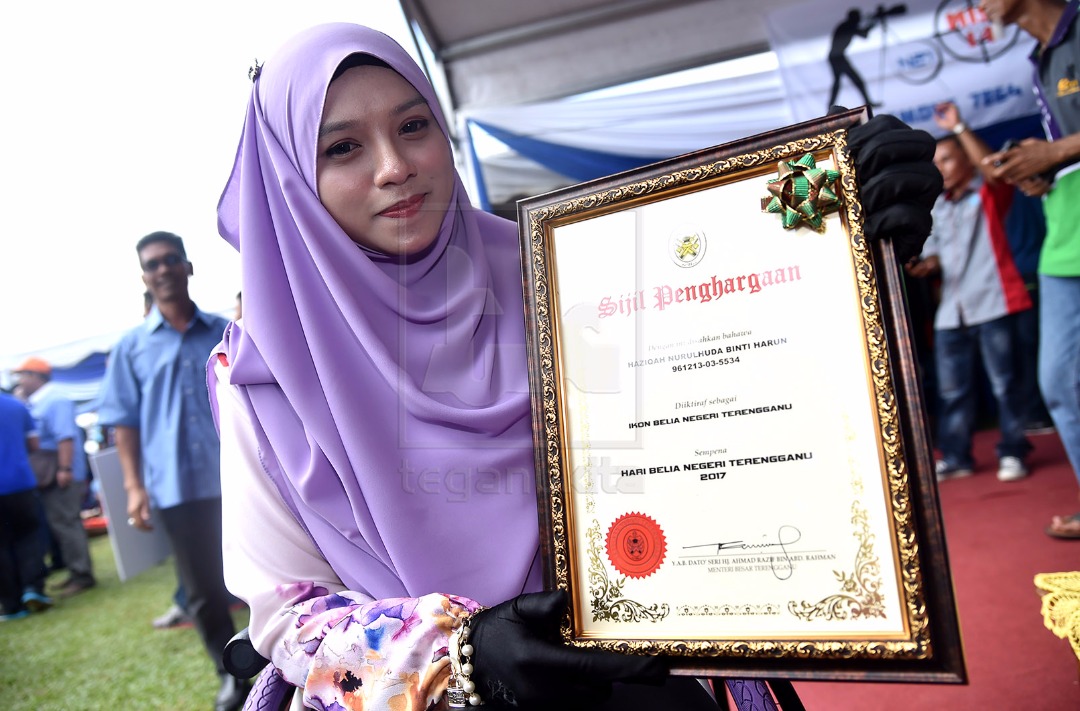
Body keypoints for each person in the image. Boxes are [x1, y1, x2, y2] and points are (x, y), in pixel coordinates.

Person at [209, 23, 940, 710]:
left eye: (413, 126)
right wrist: (462, 650)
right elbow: (289, 611)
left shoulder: (564, 266)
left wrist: (851, 251)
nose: (396, 168)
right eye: (342, 149)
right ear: (288, 180)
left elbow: (734, 385)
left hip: (641, 671)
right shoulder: (261, 375)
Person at [96, 231, 245, 711]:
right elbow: (123, 422)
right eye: (152, 264)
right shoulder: (131, 348)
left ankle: (275, 662)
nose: (162, 270)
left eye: (170, 260)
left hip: (239, 477)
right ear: (144, 276)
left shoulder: (225, 332)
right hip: (177, 486)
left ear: (187, 266)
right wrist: (134, 487)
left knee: (260, 576)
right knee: (202, 589)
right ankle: (230, 676)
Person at [982, 0, 1080, 537]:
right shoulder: (1039, 56)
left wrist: (1056, 151)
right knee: (1060, 382)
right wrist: (1041, 168)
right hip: (1064, 231)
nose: (977, 5)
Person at [907, 103, 1035, 482]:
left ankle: (1013, 451)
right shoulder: (938, 207)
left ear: (966, 159)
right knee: (952, 391)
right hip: (952, 311)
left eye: (947, 160)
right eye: (935, 163)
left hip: (993, 303)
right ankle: (958, 456)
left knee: (1004, 385)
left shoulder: (989, 193)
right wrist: (923, 265)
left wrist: (959, 126)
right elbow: (935, 257)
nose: (940, 169)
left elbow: (993, 168)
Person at [13, 357, 97, 596]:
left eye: (23, 375)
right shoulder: (36, 401)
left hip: (61, 473)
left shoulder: (55, 399)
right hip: (55, 472)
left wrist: (64, 469)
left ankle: (82, 575)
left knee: (67, 524)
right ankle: (75, 571)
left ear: (36, 376)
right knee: (61, 524)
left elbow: (65, 437)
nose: (19, 381)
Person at [0, 391, 51, 621]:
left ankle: (11, 605)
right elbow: (34, 443)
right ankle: (33, 588)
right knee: (29, 537)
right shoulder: (16, 406)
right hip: (20, 483)